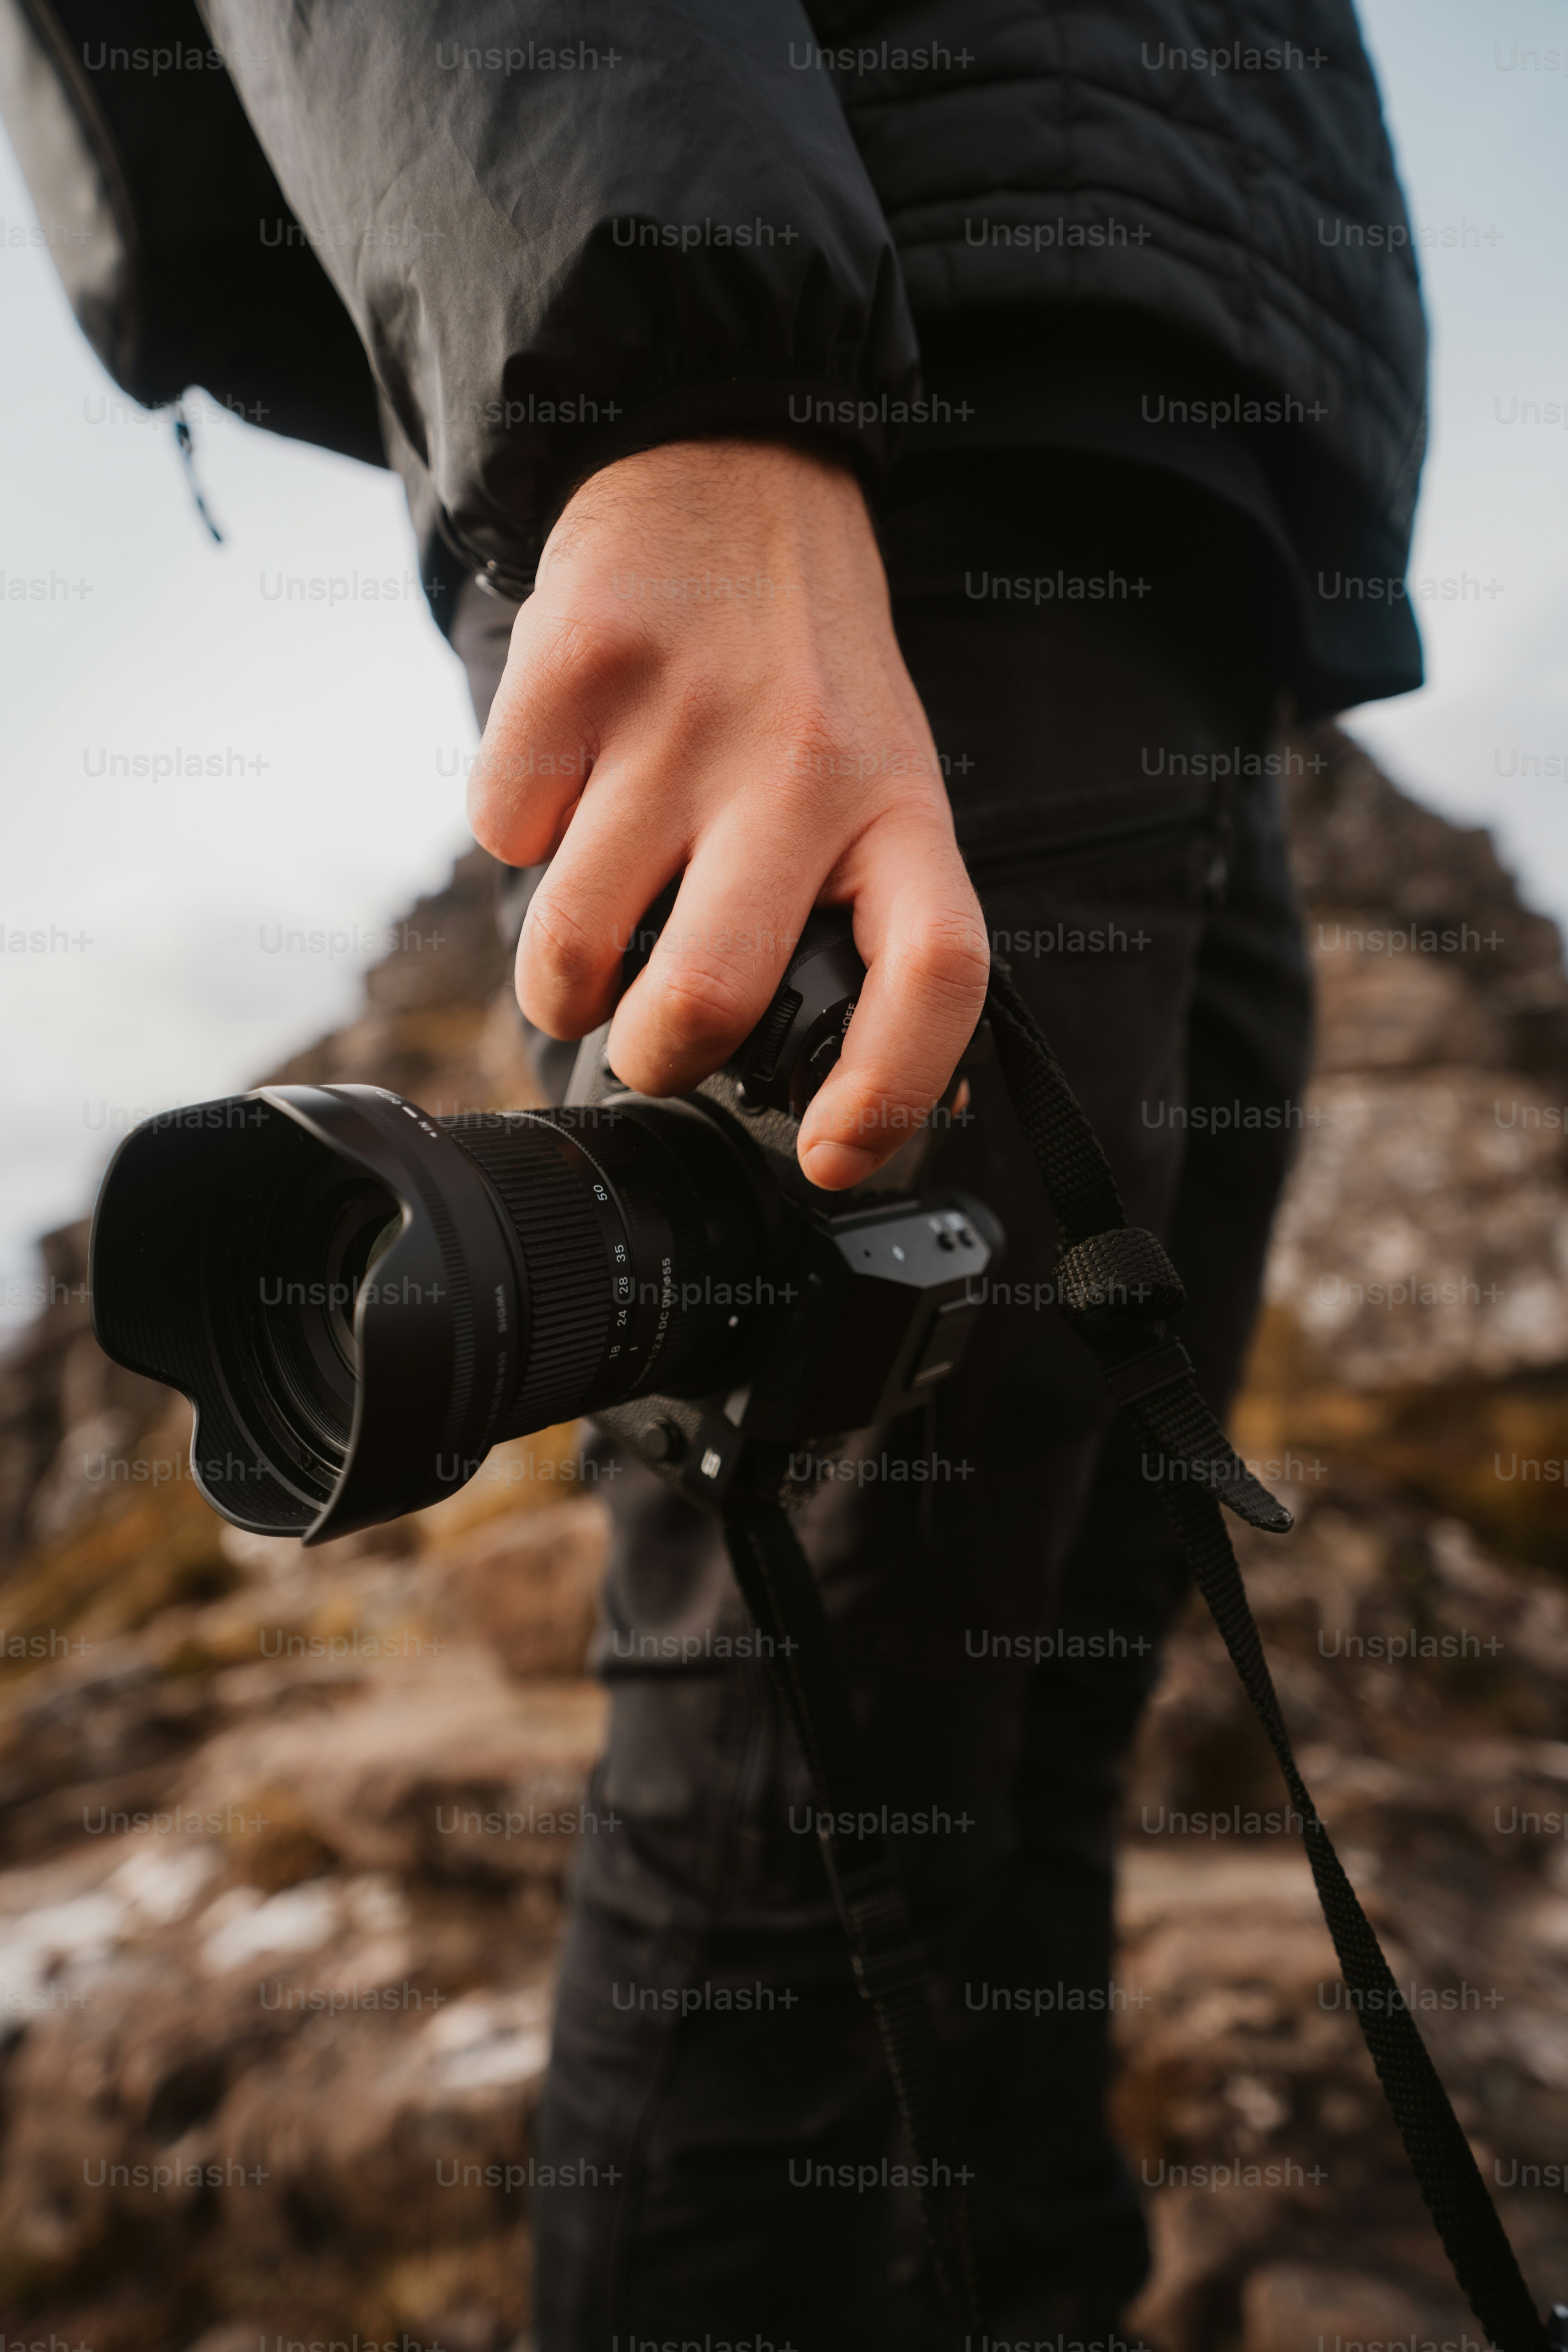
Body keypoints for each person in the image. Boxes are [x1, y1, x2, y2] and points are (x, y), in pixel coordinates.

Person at [2, 4, 1425, 2342]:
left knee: (1032, 1740)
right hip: (857, 398)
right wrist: (670, 391)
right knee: (792, 1835)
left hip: (1154, 485)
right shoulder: (740, 373)